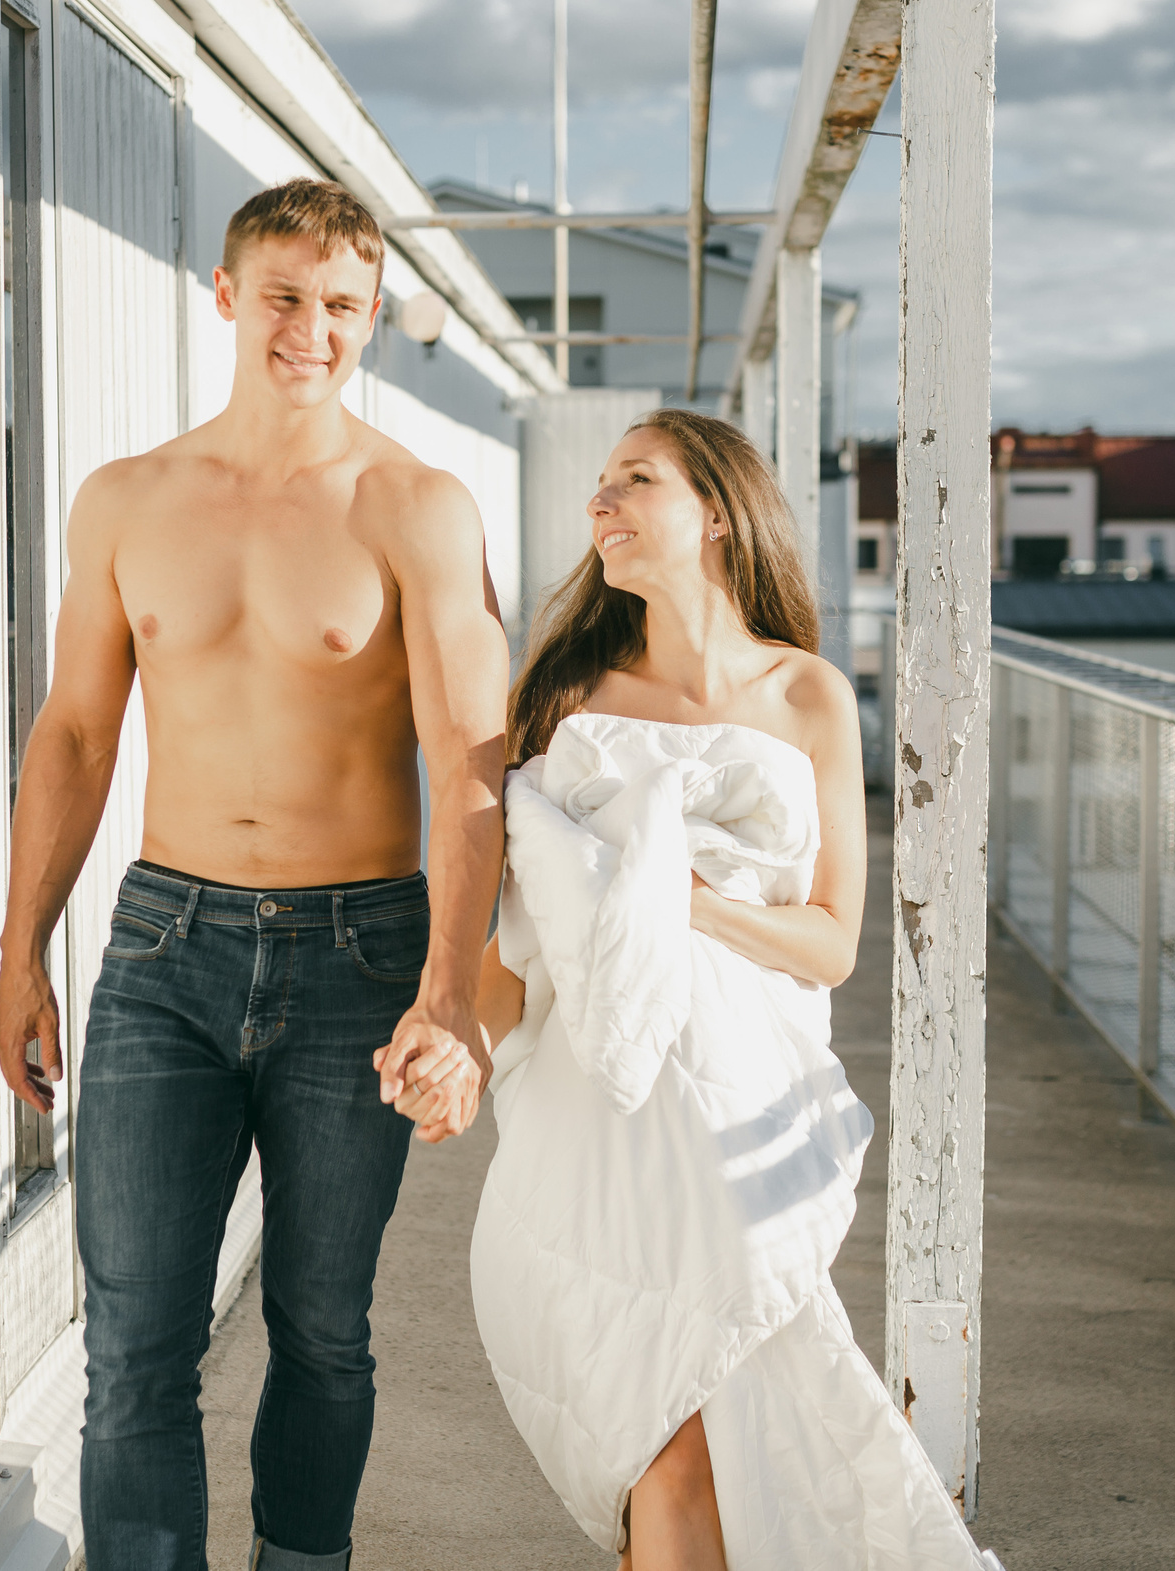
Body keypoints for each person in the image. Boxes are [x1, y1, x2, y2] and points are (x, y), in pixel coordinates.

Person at [0, 177, 508, 1571]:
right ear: (226, 295)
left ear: (374, 316)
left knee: (322, 1322)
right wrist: (21, 948)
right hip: (168, 945)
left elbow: (470, 757)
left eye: (342, 304)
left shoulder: (418, 508)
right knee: (134, 1339)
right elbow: (78, 729)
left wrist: (451, 989)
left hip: (362, 952)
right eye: (285, 295)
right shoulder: (128, 500)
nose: (311, 329)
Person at [393, 410, 987, 1570]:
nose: (600, 501)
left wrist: (675, 898)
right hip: (592, 1125)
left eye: (634, 480)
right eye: (600, 484)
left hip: (734, 1112)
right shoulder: (564, 698)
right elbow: (524, 948)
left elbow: (829, 944)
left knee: (711, 1439)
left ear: (714, 510)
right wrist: (454, 1041)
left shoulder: (808, 695)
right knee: (655, 1447)